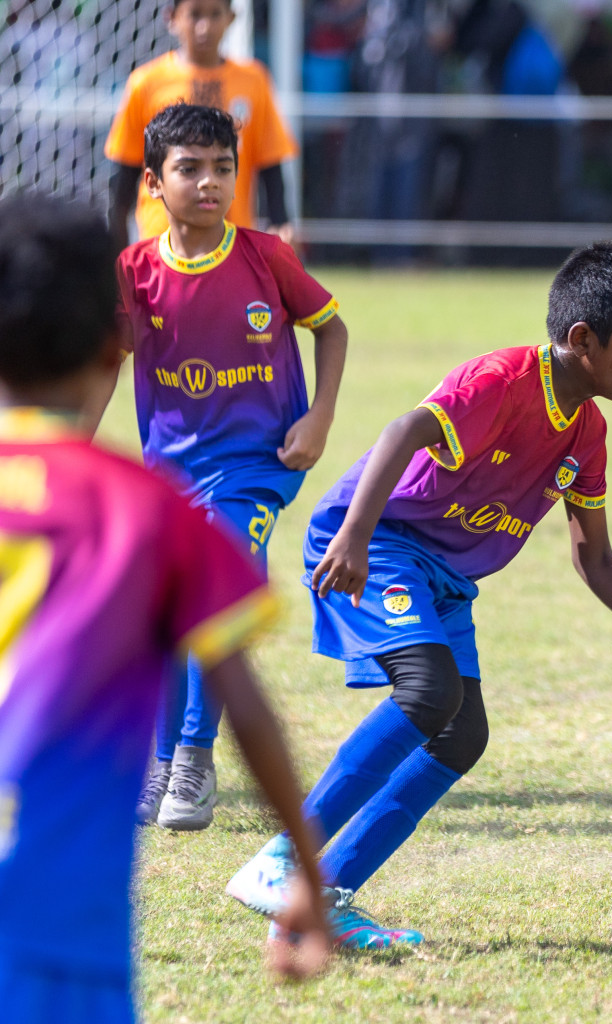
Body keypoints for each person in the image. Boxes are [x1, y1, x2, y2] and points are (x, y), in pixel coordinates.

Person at [225, 242, 612, 948]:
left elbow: (595, 558)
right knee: (428, 692)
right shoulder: (504, 379)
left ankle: (322, 897)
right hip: (380, 539)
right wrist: (356, 537)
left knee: (461, 734)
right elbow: (402, 432)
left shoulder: (588, 432)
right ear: (583, 340)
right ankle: (282, 861)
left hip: (445, 577)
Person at [0, 194, 331, 1023]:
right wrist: (310, 877)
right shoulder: (148, 510)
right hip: (61, 936)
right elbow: (245, 700)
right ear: (118, 342)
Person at [101, 103, 349, 831]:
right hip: (172, 472)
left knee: (216, 591)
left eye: (223, 169)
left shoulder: (266, 256)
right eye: (190, 169)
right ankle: (160, 761)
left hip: (260, 463)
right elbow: (102, 368)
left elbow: (331, 328)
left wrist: (320, 416)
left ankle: (193, 760)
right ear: (152, 182)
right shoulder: (135, 271)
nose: (210, 183)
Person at [104, 0, 297, 251]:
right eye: (194, 15)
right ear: (172, 17)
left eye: (215, 14)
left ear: (231, 18)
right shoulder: (146, 83)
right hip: (161, 241)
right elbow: (125, 172)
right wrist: (115, 241)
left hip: (231, 242)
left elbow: (271, 162)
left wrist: (280, 222)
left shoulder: (254, 81)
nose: (204, 27)